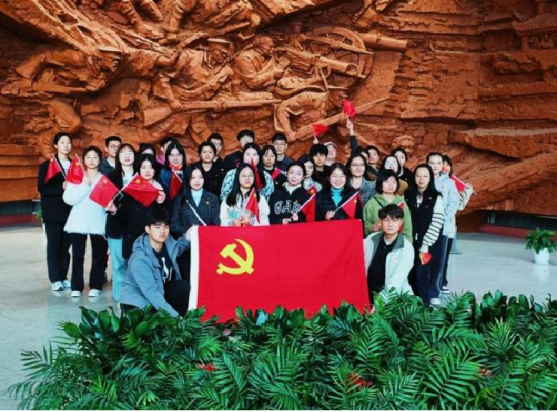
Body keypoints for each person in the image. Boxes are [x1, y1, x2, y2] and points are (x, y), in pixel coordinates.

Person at [121, 206, 191, 317]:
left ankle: (177, 320)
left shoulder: (167, 242)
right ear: (147, 229)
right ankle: (176, 321)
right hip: (137, 301)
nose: (162, 231)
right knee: (153, 322)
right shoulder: (140, 259)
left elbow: (176, 249)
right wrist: (175, 317)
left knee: (183, 287)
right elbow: (151, 293)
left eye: (166, 226)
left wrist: (187, 237)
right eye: (157, 227)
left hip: (159, 290)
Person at [62, 146, 108, 298]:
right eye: (88, 157)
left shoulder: (104, 179)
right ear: (83, 160)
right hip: (78, 222)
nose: (92, 160)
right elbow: (68, 199)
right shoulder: (77, 177)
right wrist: (84, 186)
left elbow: (108, 201)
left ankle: (96, 285)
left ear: (100, 160)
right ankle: (76, 286)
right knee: (77, 255)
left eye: (95, 157)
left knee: (99, 255)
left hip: (98, 221)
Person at [405, 164, 445, 306]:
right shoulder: (408, 195)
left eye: (425, 176)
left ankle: (425, 307)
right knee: (410, 273)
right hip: (410, 242)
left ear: (430, 178)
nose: (421, 179)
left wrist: (425, 244)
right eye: (418, 176)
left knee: (421, 274)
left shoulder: (436, 197)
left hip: (428, 245)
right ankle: (411, 307)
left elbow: (437, 222)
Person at [38, 132, 73, 292]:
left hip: (70, 213)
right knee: (53, 247)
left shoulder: (75, 165)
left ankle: (64, 277)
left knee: (65, 247)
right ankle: (55, 279)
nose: (66, 145)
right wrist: (61, 187)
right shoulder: (47, 165)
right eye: (63, 142)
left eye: (68, 142)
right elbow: (42, 188)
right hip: (53, 213)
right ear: (56, 145)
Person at [115, 154, 167, 260]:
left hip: (154, 241)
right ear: (138, 169)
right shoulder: (130, 190)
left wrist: (160, 203)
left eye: (151, 167)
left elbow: (166, 217)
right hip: (132, 241)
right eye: (143, 167)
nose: (147, 171)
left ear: (155, 170)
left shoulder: (161, 190)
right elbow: (122, 217)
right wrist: (113, 210)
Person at [363, 204, 414, 303]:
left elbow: (396, 282)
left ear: (401, 222)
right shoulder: (371, 239)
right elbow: (353, 250)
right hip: (368, 294)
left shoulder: (406, 248)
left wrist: (379, 303)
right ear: (380, 222)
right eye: (386, 220)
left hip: (392, 299)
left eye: (395, 220)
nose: (390, 224)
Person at [105, 143, 136, 303]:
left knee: (134, 263)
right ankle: (120, 297)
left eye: (130, 152)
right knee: (118, 264)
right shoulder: (111, 176)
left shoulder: (140, 175)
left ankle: (135, 296)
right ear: (118, 157)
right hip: (116, 224)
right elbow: (104, 198)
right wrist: (109, 206)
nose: (127, 155)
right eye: (123, 153)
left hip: (136, 226)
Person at [427, 152, 459, 297]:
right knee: (422, 259)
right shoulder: (423, 179)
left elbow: (453, 204)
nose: (435, 166)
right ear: (427, 163)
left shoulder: (449, 183)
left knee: (438, 261)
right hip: (423, 228)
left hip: (442, 228)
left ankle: (435, 290)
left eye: (438, 163)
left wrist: (441, 219)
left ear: (442, 166)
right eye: (431, 163)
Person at [171, 164, 221, 237]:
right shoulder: (180, 199)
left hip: (207, 239)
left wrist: (204, 232)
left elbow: (216, 223)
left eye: (200, 177)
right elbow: (174, 224)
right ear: (187, 179)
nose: (197, 181)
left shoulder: (213, 198)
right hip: (186, 240)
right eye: (193, 177)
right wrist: (188, 232)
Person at [363, 170, 413, 241]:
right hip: (377, 242)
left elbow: (407, 227)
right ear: (380, 183)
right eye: (386, 182)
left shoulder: (401, 202)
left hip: (398, 243)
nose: (391, 185)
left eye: (394, 182)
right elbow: (365, 225)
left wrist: (408, 244)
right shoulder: (371, 203)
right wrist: (374, 227)